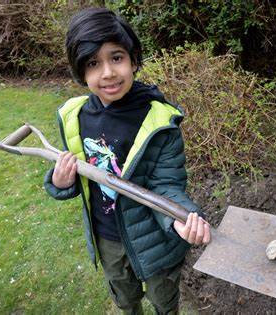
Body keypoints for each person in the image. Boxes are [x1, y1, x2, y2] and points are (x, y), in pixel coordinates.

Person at [43, 7, 210, 315]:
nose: (107, 72)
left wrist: (181, 217)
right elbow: (77, 173)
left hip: (155, 239)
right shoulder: (74, 116)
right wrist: (59, 182)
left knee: (164, 299)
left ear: (133, 60)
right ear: (81, 71)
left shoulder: (159, 120)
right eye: (93, 63)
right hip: (107, 237)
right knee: (125, 297)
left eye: (116, 58)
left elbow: (167, 183)